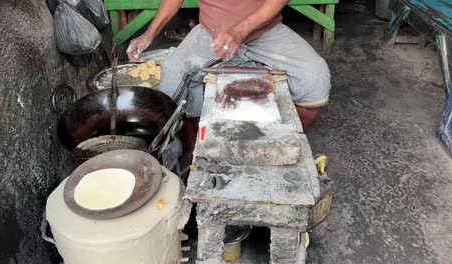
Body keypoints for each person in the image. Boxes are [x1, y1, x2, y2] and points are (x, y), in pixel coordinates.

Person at [127, 0, 331, 171]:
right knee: (172, 77)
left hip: (266, 34)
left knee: (315, 78)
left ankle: (278, 145)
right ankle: (190, 149)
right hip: (211, 34)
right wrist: (149, 34)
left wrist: (239, 31)